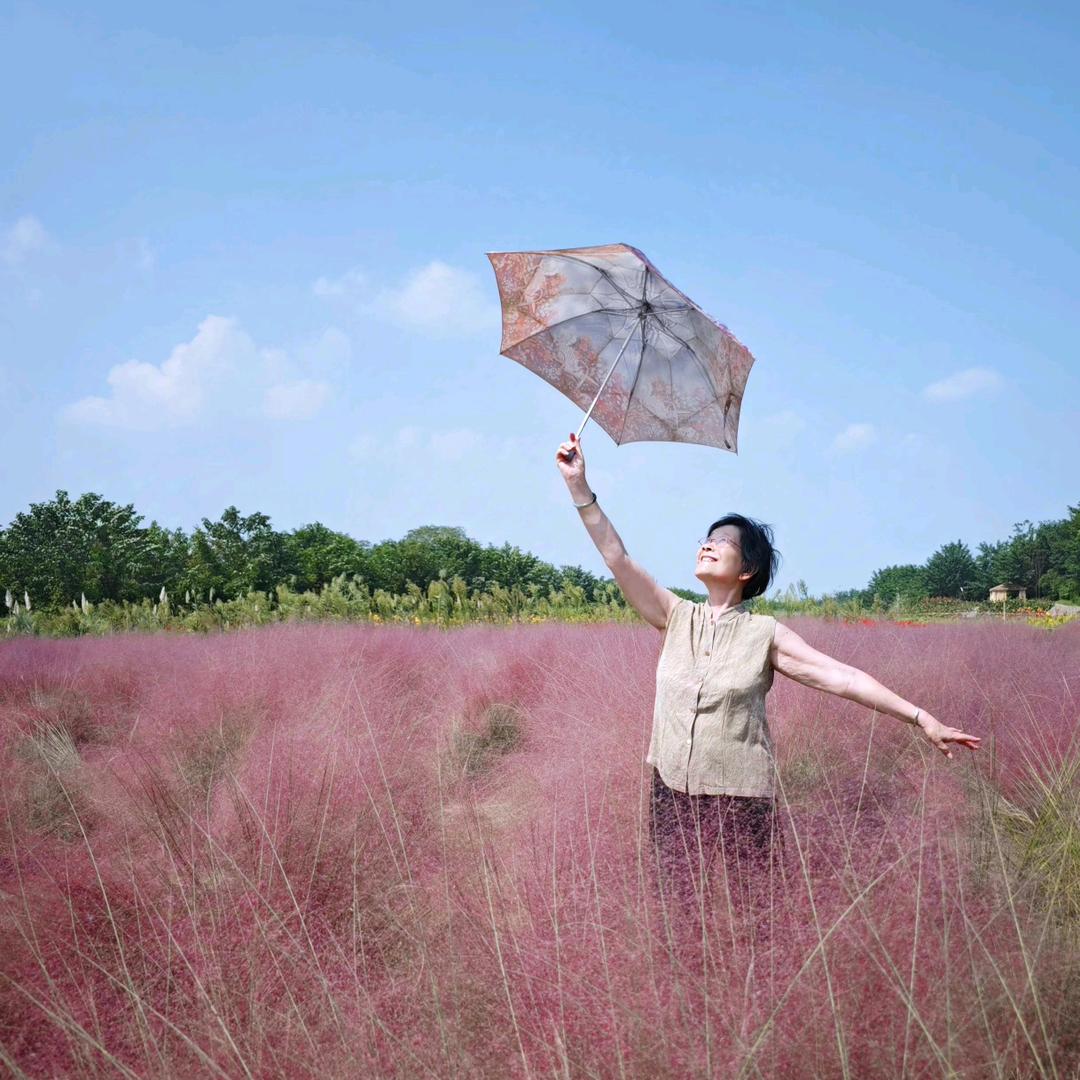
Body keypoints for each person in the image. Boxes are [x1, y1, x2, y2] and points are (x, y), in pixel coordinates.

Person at [554, 431, 981, 937]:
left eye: (726, 543)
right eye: (707, 538)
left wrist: (921, 717)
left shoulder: (765, 635)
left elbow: (840, 677)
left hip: (740, 796)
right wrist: (580, 486)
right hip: (670, 788)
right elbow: (616, 558)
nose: (710, 544)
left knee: (755, 915)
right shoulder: (674, 616)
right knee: (677, 912)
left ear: (747, 570)